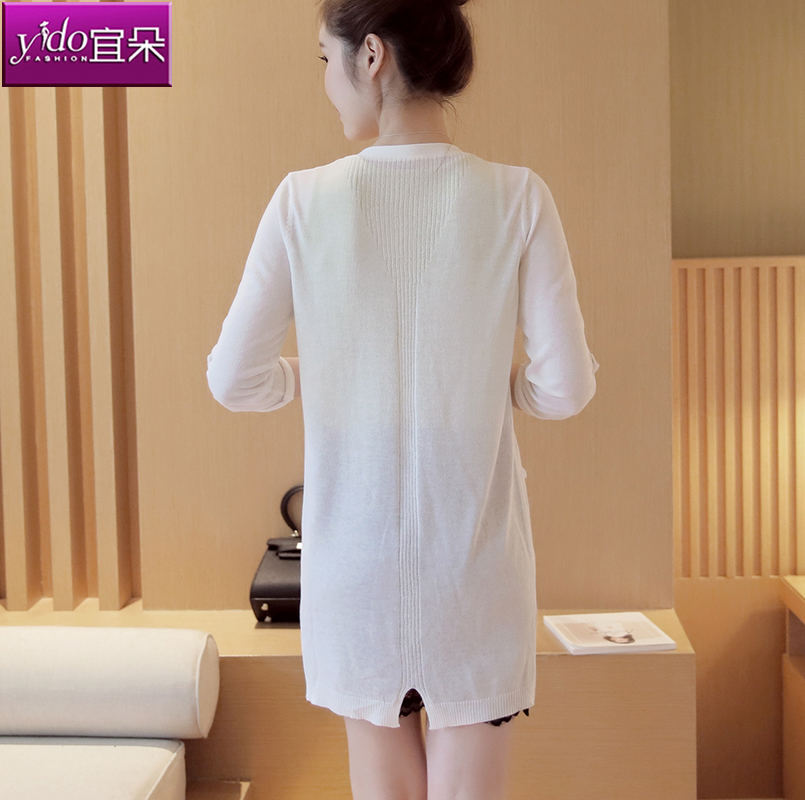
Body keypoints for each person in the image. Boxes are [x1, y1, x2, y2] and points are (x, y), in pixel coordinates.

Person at [206, 0, 599, 797]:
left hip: (353, 574)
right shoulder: (517, 197)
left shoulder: (302, 201)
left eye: (326, 59)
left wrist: (324, 372)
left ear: (371, 56)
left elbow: (233, 379)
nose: (326, 81)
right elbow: (564, 388)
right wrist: (495, 384)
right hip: (475, 573)